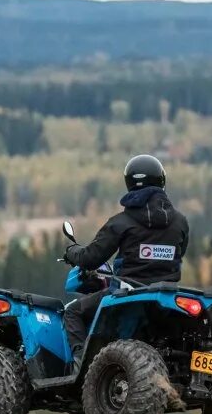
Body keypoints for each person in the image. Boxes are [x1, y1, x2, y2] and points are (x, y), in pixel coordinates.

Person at [62, 154, 189, 369]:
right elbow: (180, 253)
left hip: (127, 291)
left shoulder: (122, 222)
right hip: (166, 296)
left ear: (129, 183)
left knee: (72, 312)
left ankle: (82, 367)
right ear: (161, 180)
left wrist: (72, 251)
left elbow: (91, 258)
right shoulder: (180, 222)